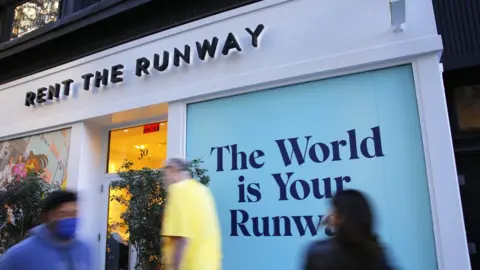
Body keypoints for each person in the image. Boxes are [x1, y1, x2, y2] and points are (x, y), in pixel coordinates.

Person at [0, 190, 91, 270]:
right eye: (62, 214)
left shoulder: (84, 250)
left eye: (74, 213)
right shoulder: (20, 255)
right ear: (46, 217)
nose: (69, 218)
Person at [304, 189, 394, 270]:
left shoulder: (320, 255)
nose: (328, 215)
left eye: (334, 211)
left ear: (339, 218)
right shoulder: (377, 253)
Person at [161, 158, 222, 270]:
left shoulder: (178, 190)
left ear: (173, 169)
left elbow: (180, 237)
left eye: (165, 174)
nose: (165, 179)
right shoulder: (203, 191)